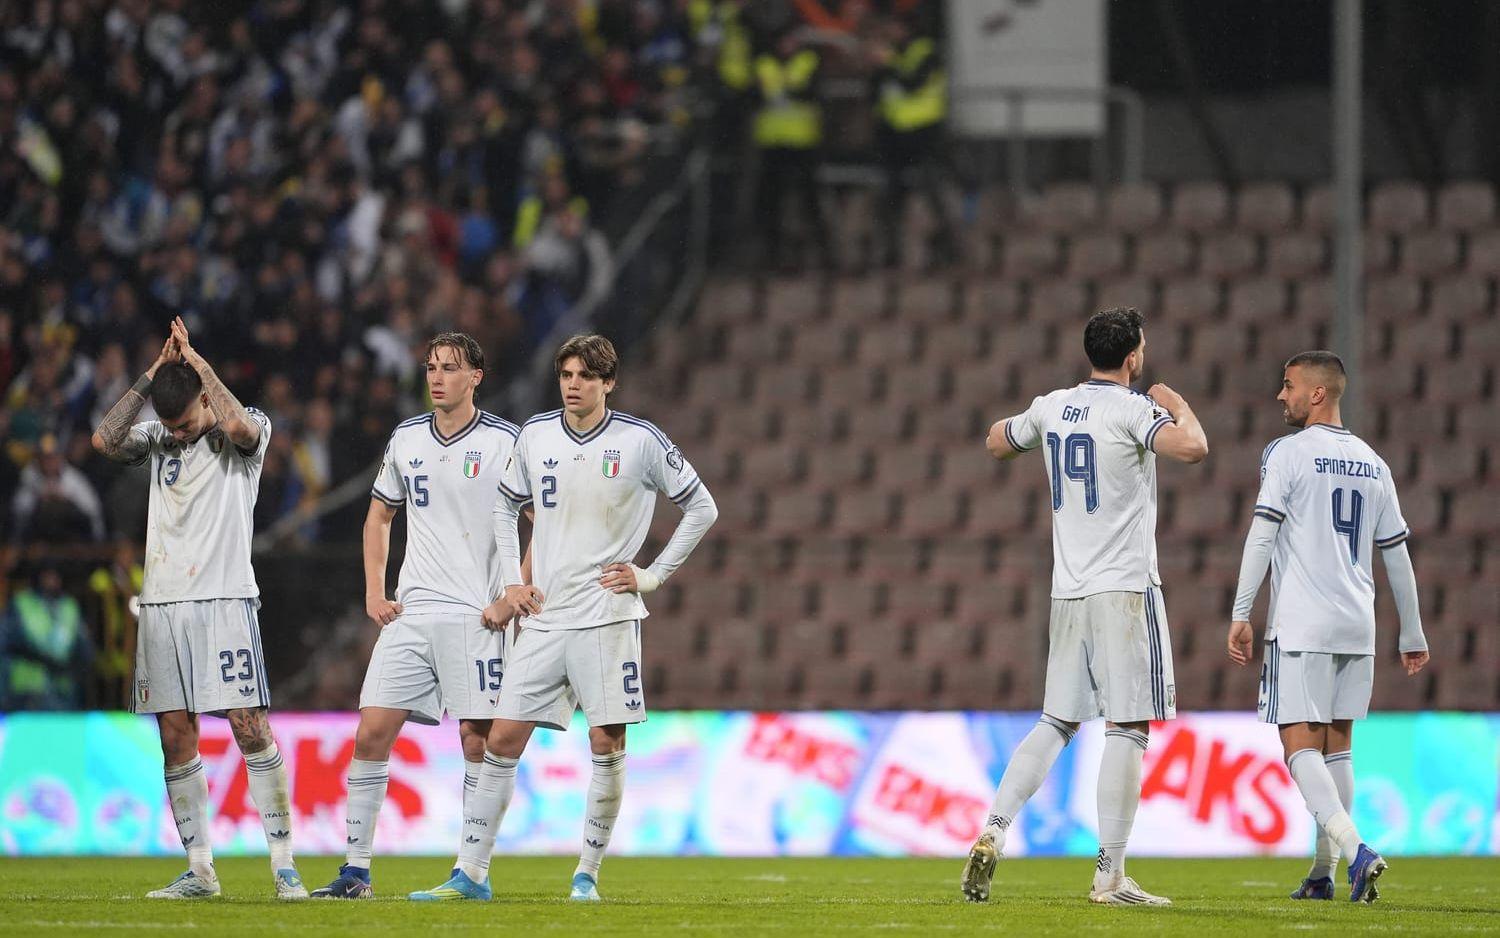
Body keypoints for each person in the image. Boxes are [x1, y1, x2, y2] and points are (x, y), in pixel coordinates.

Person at [410, 333, 718, 902]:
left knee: (606, 741)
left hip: (606, 616)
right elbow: (505, 504)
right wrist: (511, 580)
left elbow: (702, 506)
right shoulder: (535, 435)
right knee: (501, 739)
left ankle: (587, 875)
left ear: (608, 383)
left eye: (584, 376)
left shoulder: (640, 441)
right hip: (545, 618)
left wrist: (651, 575)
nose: (573, 385)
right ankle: (470, 874)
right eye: (566, 375)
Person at [964, 307, 1209, 905]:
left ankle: (993, 830)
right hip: (1124, 590)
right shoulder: (1135, 409)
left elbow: (996, 441)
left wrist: (1028, 427)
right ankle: (1110, 874)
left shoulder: (1052, 406)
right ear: (1133, 357)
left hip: (1067, 590)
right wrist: (1177, 403)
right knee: (1127, 727)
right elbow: (1195, 447)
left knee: (1056, 723)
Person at [310, 332, 563, 899]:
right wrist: (375, 592)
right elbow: (378, 517)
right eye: (430, 368)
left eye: (449, 368)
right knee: (371, 731)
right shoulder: (406, 439)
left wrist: (512, 593)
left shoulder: (506, 442)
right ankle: (355, 873)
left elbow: (544, 522)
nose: (436, 377)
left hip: (477, 617)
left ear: (477, 376)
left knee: (476, 739)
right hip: (413, 611)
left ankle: (471, 872)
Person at [90, 317, 306, 901]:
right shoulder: (160, 437)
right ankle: (201, 871)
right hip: (161, 603)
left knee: (247, 724)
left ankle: (285, 866)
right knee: (175, 734)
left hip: (225, 599)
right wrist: (151, 375)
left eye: (184, 422)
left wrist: (202, 366)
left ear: (204, 399)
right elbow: (104, 441)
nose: (177, 435)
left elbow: (235, 424)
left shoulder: (244, 431)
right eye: (170, 425)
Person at [1226, 351, 1428, 904]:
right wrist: (1411, 631)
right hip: (1357, 625)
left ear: (1318, 393)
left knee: (1297, 746)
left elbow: (1262, 536)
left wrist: (1242, 611)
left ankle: (1356, 850)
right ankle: (1322, 873)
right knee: (1337, 747)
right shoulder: (1374, 462)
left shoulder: (1288, 455)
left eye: (1288, 385)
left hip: (1303, 622)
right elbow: (1397, 555)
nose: (1280, 395)